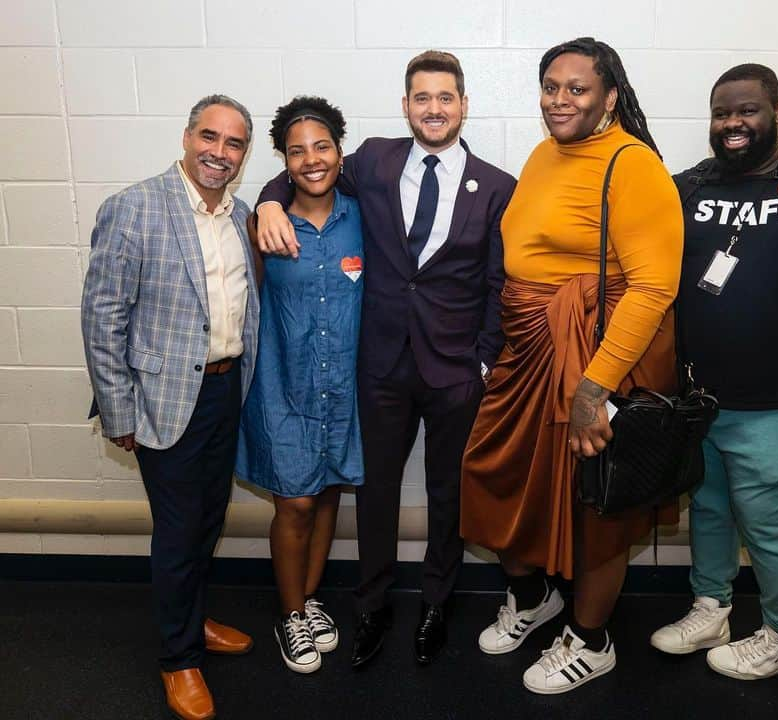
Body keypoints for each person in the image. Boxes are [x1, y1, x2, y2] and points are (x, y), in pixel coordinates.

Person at [254, 51, 515, 668]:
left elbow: (499, 284)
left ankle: (436, 603)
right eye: (421, 98)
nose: (433, 108)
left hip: (455, 372)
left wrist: (482, 361)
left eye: (445, 97)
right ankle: (371, 604)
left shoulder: (497, 185)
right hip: (380, 365)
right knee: (375, 494)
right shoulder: (372, 158)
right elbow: (302, 171)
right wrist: (267, 201)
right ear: (406, 106)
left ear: (463, 105)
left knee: (449, 494)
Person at [460, 37, 683, 695]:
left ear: (609, 97)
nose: (560, 100)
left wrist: (594, 388)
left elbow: (652, 287)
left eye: (577, 88)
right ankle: (534, 601)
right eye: (551, 87)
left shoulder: (631, 164)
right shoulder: (543, 154)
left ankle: (592, 639)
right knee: (495, 473)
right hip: (529, 351)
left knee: (597, 505)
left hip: (593, 359)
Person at [649, 64, 778, 680]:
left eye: (747, 111)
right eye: (722, 113)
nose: (733, 124)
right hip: (699, 399)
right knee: (708, 509)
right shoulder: (688, 187)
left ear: (777, 109)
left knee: (769, 522)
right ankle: (711, 606)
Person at [81, 94, 259, 720]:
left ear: (244, 154)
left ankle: (192, 617)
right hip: (162, 398)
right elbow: (103, 317)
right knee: (180, 531)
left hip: (224, 390)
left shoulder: (239, 216)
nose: (219, 152)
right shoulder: (132, 209)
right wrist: (119, 409)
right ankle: (178, 659)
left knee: (208, 519)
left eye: (234, 143)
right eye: (209, 137)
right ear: (186, 138)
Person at [235, 96, 363, 674]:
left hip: (346, 387)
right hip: (282, 386)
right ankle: (290, 612)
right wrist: (266, 201)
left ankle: (310, 601)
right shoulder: (261, 222)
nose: (311, 160)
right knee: (296, 503)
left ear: (340, 150)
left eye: (322, 146)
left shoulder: (364, 216)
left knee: (330, 491)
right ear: (283, 162)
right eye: (296, 150)